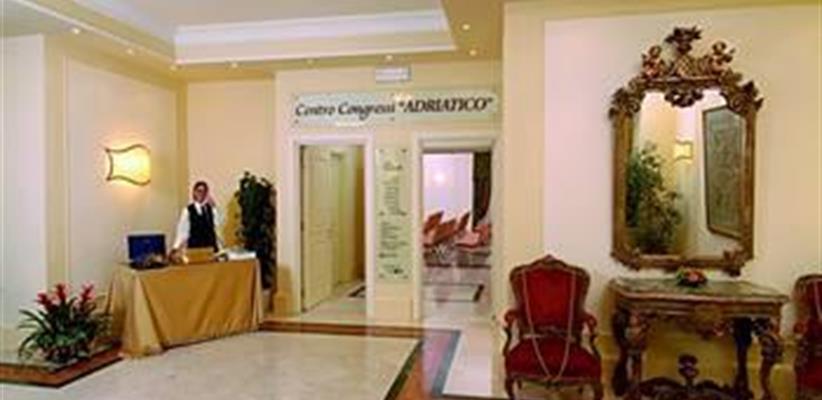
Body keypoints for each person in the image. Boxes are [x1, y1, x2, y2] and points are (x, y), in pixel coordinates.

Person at [173, 181, 221, 251]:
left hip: (210, 247)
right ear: (194, 192)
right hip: (195, 248)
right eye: (199, 191)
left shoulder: (211, 209)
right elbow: (182, 230)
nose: (201, 194)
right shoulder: (188, 210)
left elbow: (217, 226)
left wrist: (214, 208)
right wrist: (176, 246)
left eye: (204, 192)